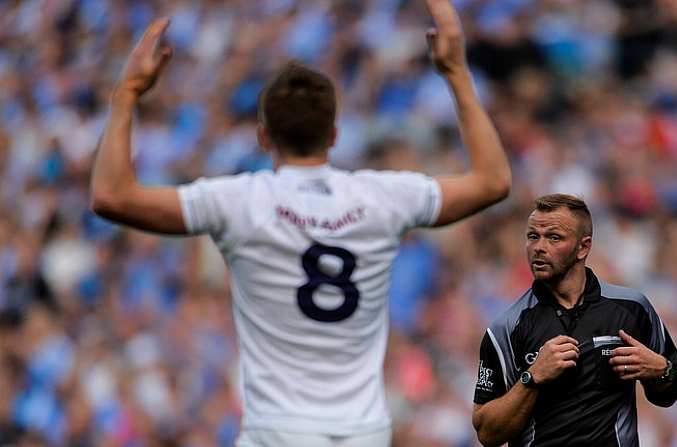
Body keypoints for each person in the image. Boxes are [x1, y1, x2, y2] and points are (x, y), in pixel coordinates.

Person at [90, 1, 510, 446]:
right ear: (334, 135)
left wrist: (126, 95)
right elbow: (493, 180)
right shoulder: (383, 197)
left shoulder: (239, 200)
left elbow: (110, 196)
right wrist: (456, 73)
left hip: (277, 433)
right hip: (362, 433)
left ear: (263, 135)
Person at [472, 194, 677, 447]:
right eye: (532, 236)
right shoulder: (506, 327)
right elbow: (487, 433)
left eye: (554, 237)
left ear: (583, 247)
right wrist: (532, 377)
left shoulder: (632, 309)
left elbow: (669, 392)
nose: (539, 246)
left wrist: (661, 370)